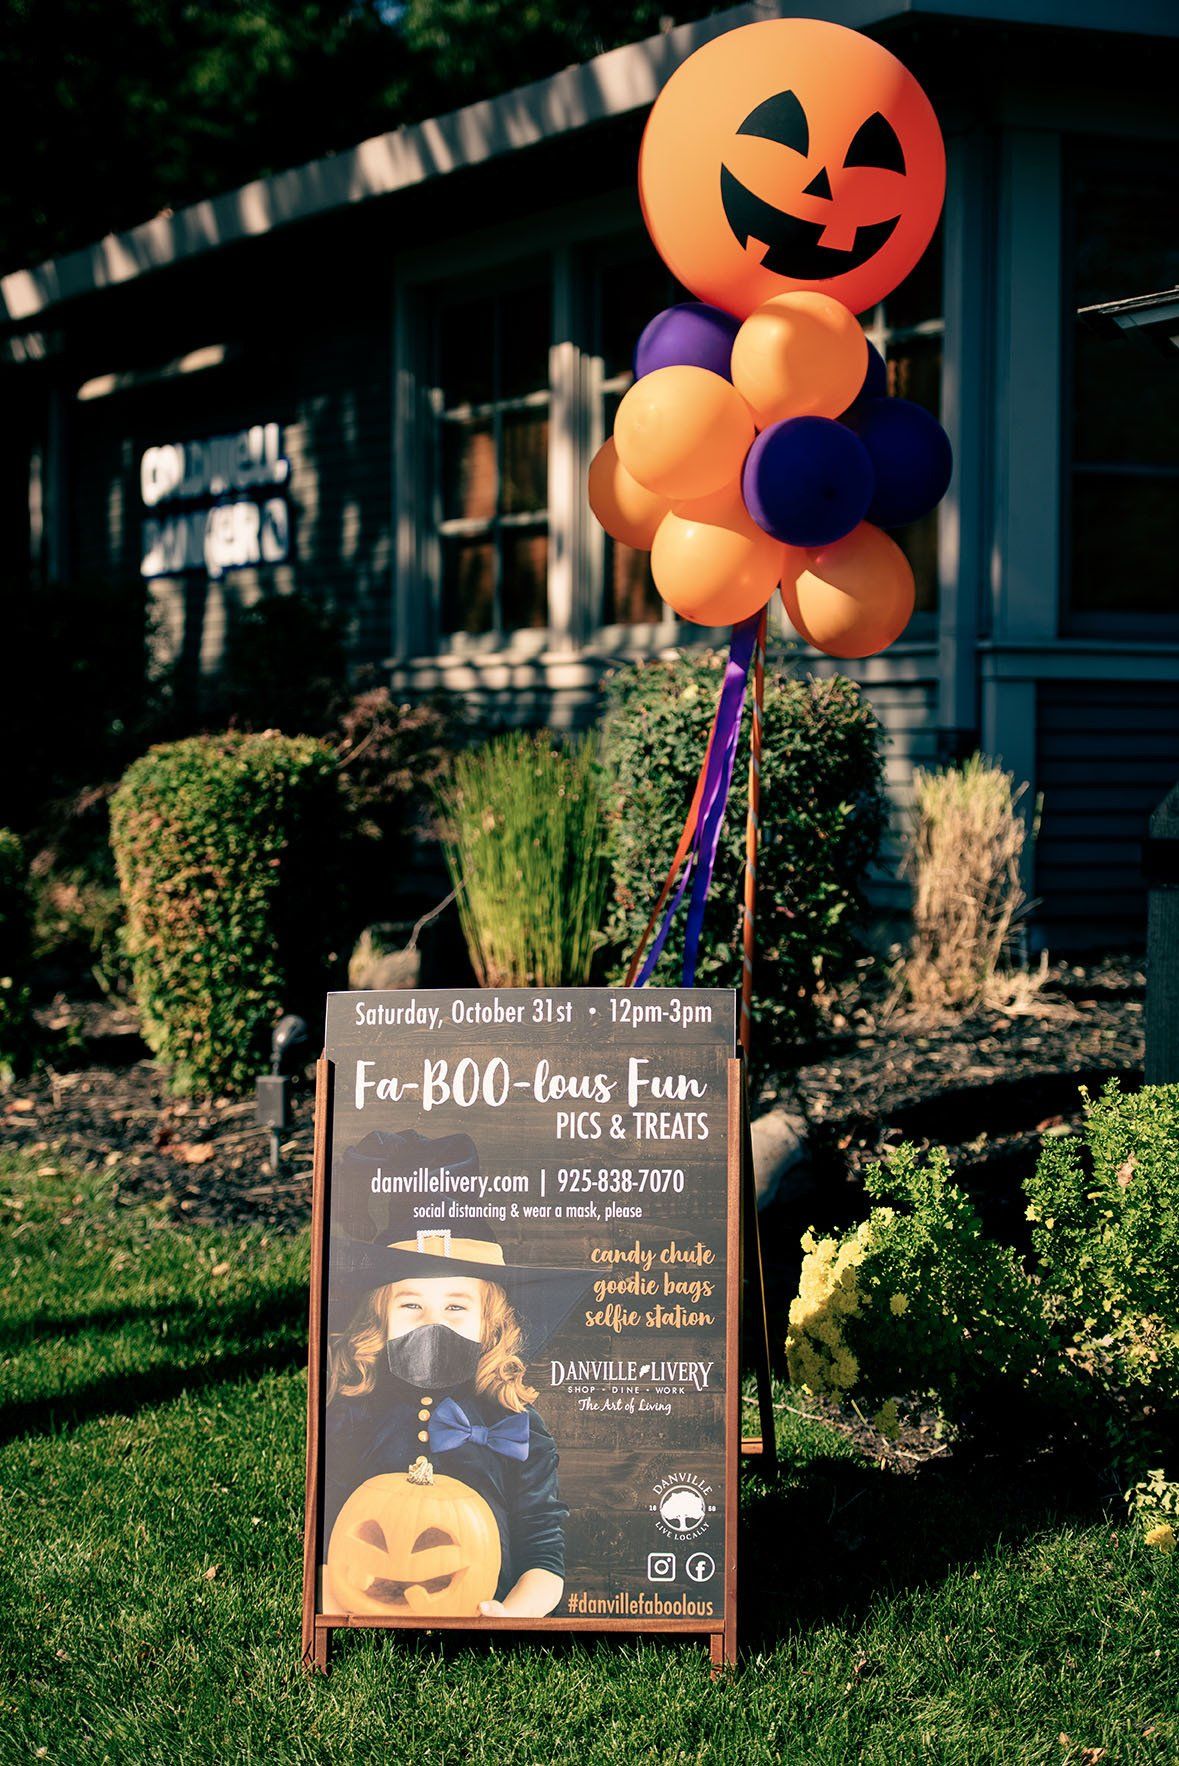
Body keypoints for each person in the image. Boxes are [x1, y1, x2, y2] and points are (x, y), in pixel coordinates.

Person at [323, 1153, 592, 1619]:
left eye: (455, 1308)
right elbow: (326, 1532)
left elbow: (543, 1546)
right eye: (411, 1305)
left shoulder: (513, 1424)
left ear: (491, 1325)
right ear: (378, 1320)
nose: (433, 1324)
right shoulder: (354, 1411)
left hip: (486, 1602)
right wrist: (326, 1602)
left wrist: (515, 1614)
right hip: (367, 1601)